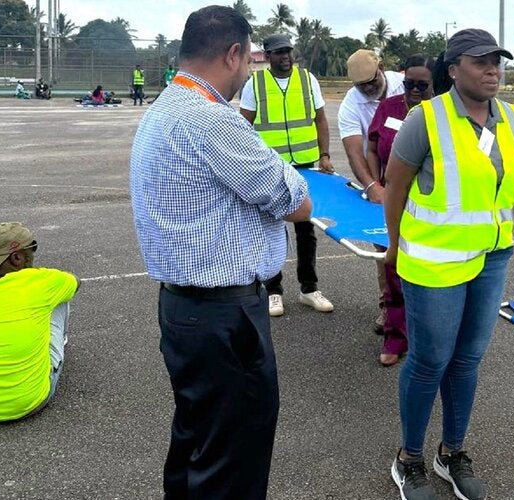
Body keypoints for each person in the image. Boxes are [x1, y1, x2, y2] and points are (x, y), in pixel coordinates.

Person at [129, 6, 312, 499]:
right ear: (233, 54)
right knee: (234, 457)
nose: (249, 71)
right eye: (249, 60)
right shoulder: (212, 121)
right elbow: (296, 199)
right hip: (224, 316)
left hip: (183, 308)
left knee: (198, 440)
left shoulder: (164, 106)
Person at [383, 29, 514, 500]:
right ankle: (409, 459)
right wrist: (394, 245)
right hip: (434, 261)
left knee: (467, 360)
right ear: (453, 70)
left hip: (492, 256)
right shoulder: (424, 119)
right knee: (429, 361)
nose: (493, 69)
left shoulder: (512, 117)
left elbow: (501, 186)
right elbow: (396, 186)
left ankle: (452, 452)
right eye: (480, 61)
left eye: (497, 61)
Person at [240, 33, 334, 317]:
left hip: (305, 167)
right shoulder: (255, 84)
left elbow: (320, 119)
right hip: (272, 169)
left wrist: (325, 154)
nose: (286, 57)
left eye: (289, 51)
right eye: (279, 53)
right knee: (272, 230)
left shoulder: (308, 80)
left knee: (306, 229)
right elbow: (244, 126)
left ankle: (309, 288)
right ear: (267, 56)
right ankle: (274, 291)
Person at [0, 222, 80, 424]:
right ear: (17, 257)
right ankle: (58, 345)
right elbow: (74, 282)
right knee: (59, 300)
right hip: (28, 402)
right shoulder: (41, 283)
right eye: (31, 250)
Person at [366, 54, 435, 366]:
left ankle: (430, 336)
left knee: (428, 275)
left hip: (430, 207)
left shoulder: (443, 113)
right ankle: (396, 336)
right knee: (392, 269)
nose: (416, 90)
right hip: (391, 201)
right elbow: (371, 147)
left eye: (423, 85)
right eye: (410, 84)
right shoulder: (389, 107)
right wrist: (373, 185)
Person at [338, 49, 405, 333]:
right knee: (386, 248)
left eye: (371, 80)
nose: (367, 88)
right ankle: (387, 308)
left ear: (381, 67)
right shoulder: (350, 105)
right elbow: (355, 152)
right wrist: (371, 186)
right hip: (380, 177)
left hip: (414, 174)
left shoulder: (404, 85)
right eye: (360, 85)